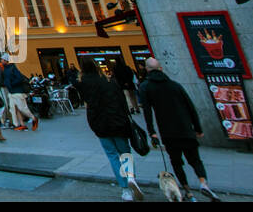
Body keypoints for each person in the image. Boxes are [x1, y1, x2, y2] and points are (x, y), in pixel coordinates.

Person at [140, 58, 218, 201]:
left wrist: (152, 131)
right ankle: (203, 183)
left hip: (168, 131)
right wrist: (198, 128)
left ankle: (188, 191)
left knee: (176, 162)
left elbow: (147, 110)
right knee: (195, 160)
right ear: (161, 68)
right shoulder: (175, 85)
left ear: (146, 69)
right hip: (185, 128)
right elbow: (190, 107)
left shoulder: (146, 87)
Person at [76, 58, 142, 201]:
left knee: (112, 155)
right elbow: (122, 103)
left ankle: (125, 189)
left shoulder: (83, 84)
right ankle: (131, 177)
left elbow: (87, 103)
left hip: (100, 125)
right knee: (125, 153)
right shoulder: (110, 82)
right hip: (118, 122)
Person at [1, 55, 36, 131]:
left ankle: (34, 118)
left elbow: (19, 78)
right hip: (11, 92)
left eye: (3, 60)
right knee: (14, 109)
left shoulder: (12, 68)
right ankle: (19, 124)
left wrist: (11, 84)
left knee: (22, 108)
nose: (1, 61)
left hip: (17, 91)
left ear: (7, 61)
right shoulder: (6, 69)